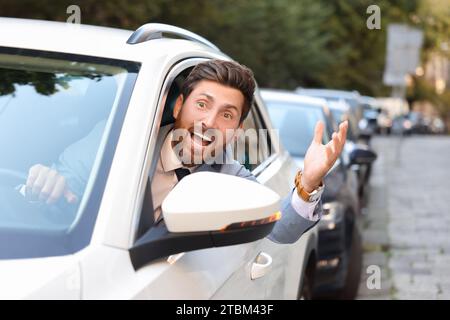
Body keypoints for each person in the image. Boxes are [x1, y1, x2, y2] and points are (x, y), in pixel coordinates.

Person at [25, 59, 348, 243]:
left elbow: (281, 230)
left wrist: (308, 181)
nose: (209, 122)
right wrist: (43, 187)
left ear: (236, 129)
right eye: (202, 105)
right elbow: (66, 187)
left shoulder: (229, 174)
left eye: (226, 114)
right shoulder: (117, 141)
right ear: (179, 105)